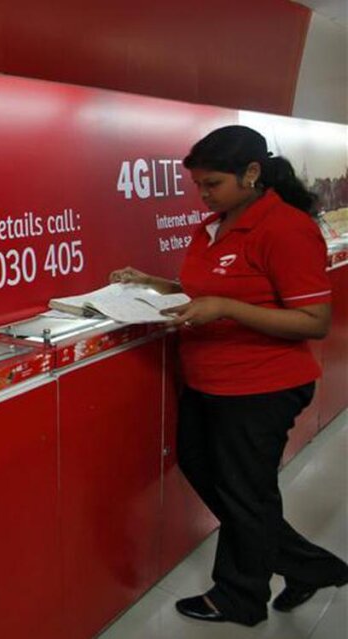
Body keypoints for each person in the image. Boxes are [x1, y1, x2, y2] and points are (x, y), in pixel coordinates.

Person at [110, 125, 348, 627]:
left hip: (261, 388)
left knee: (245, 493)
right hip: (208, 381)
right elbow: (214, 286)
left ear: (252, 173)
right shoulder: (214, 226)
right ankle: (309, 566)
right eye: (198, 186)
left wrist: (226, 308)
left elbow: (313, 320)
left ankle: (240, 596)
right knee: (214, 475)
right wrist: (156, 284)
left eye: (212, 184)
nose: (203, 195)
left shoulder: (284, 228)